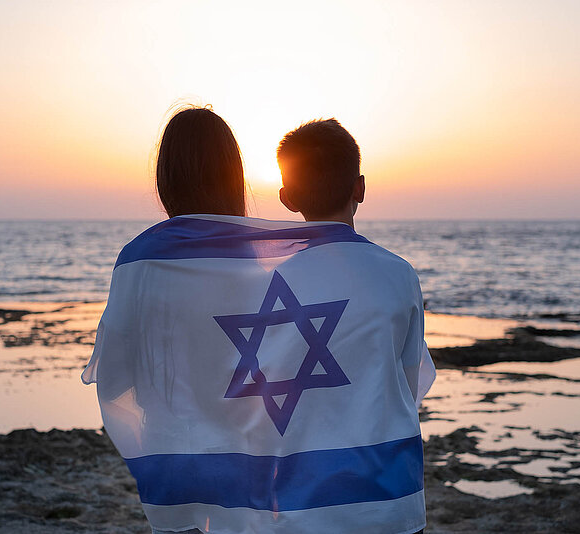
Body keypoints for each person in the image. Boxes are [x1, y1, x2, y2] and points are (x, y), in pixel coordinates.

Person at [83, 108, 434, 534]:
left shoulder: (147, 265)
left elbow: (118, 381)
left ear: (286, 199)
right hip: (388, 506)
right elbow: (405, 385)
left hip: (234, 504)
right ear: (359, 187)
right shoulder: (396, 274)